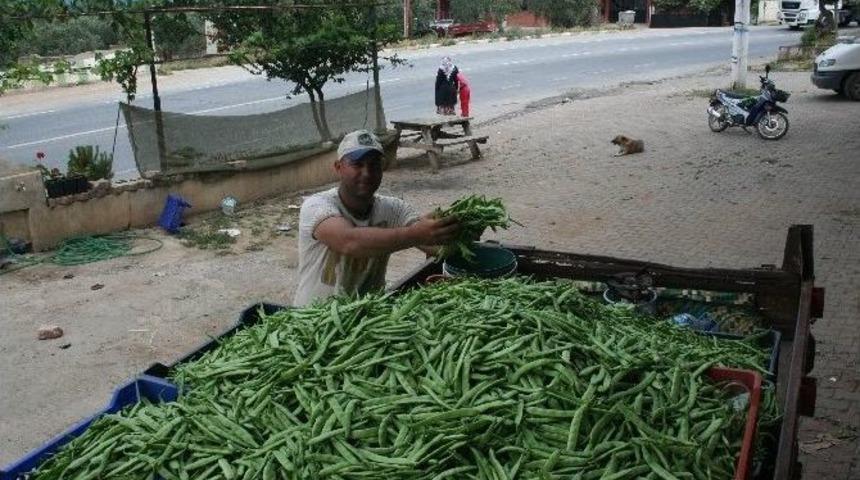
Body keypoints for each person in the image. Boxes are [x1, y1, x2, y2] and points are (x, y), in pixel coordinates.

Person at [294, 130, 459, 306]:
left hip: (367, 319)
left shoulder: (393, 208)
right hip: (313, 323)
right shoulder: (317, 205)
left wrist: (451, 230)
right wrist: (416, 234)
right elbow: (349, 242)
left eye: (374, 165)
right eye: (357, 164)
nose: (367, 173)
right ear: (338, 168)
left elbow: (433, 245)